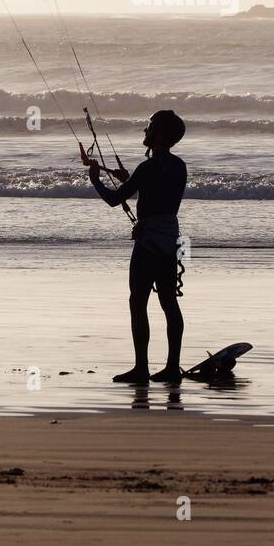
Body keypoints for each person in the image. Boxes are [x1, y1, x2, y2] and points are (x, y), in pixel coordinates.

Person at [84, 110, 186, 384]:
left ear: (160, 135)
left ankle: (141, 368)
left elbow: (115, 200)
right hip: (171, 239)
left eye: (149, 128)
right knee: (169, 302)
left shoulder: (148, 168)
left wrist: (95, 180)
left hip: (148, 241)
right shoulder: (179, 166)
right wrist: (129, 179)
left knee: (138, 302)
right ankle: (172, 367)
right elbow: (158, 192)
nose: (145, 132)